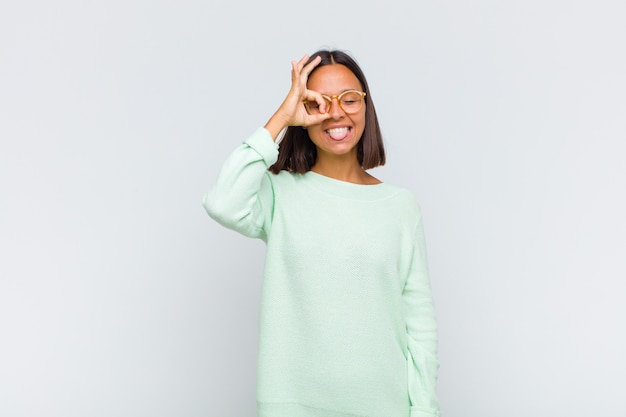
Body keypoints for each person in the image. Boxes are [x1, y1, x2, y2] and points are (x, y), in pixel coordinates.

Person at [203, 50, 440, 417]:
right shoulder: (279, 193)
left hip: (382, 405)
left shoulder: (400, 206)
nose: (336, 112)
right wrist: (283, 115)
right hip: (292, 405)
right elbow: (222, 201)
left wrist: (424, 409)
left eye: (349, 99)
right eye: (318, 102)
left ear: (366, 106)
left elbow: (419, 325)